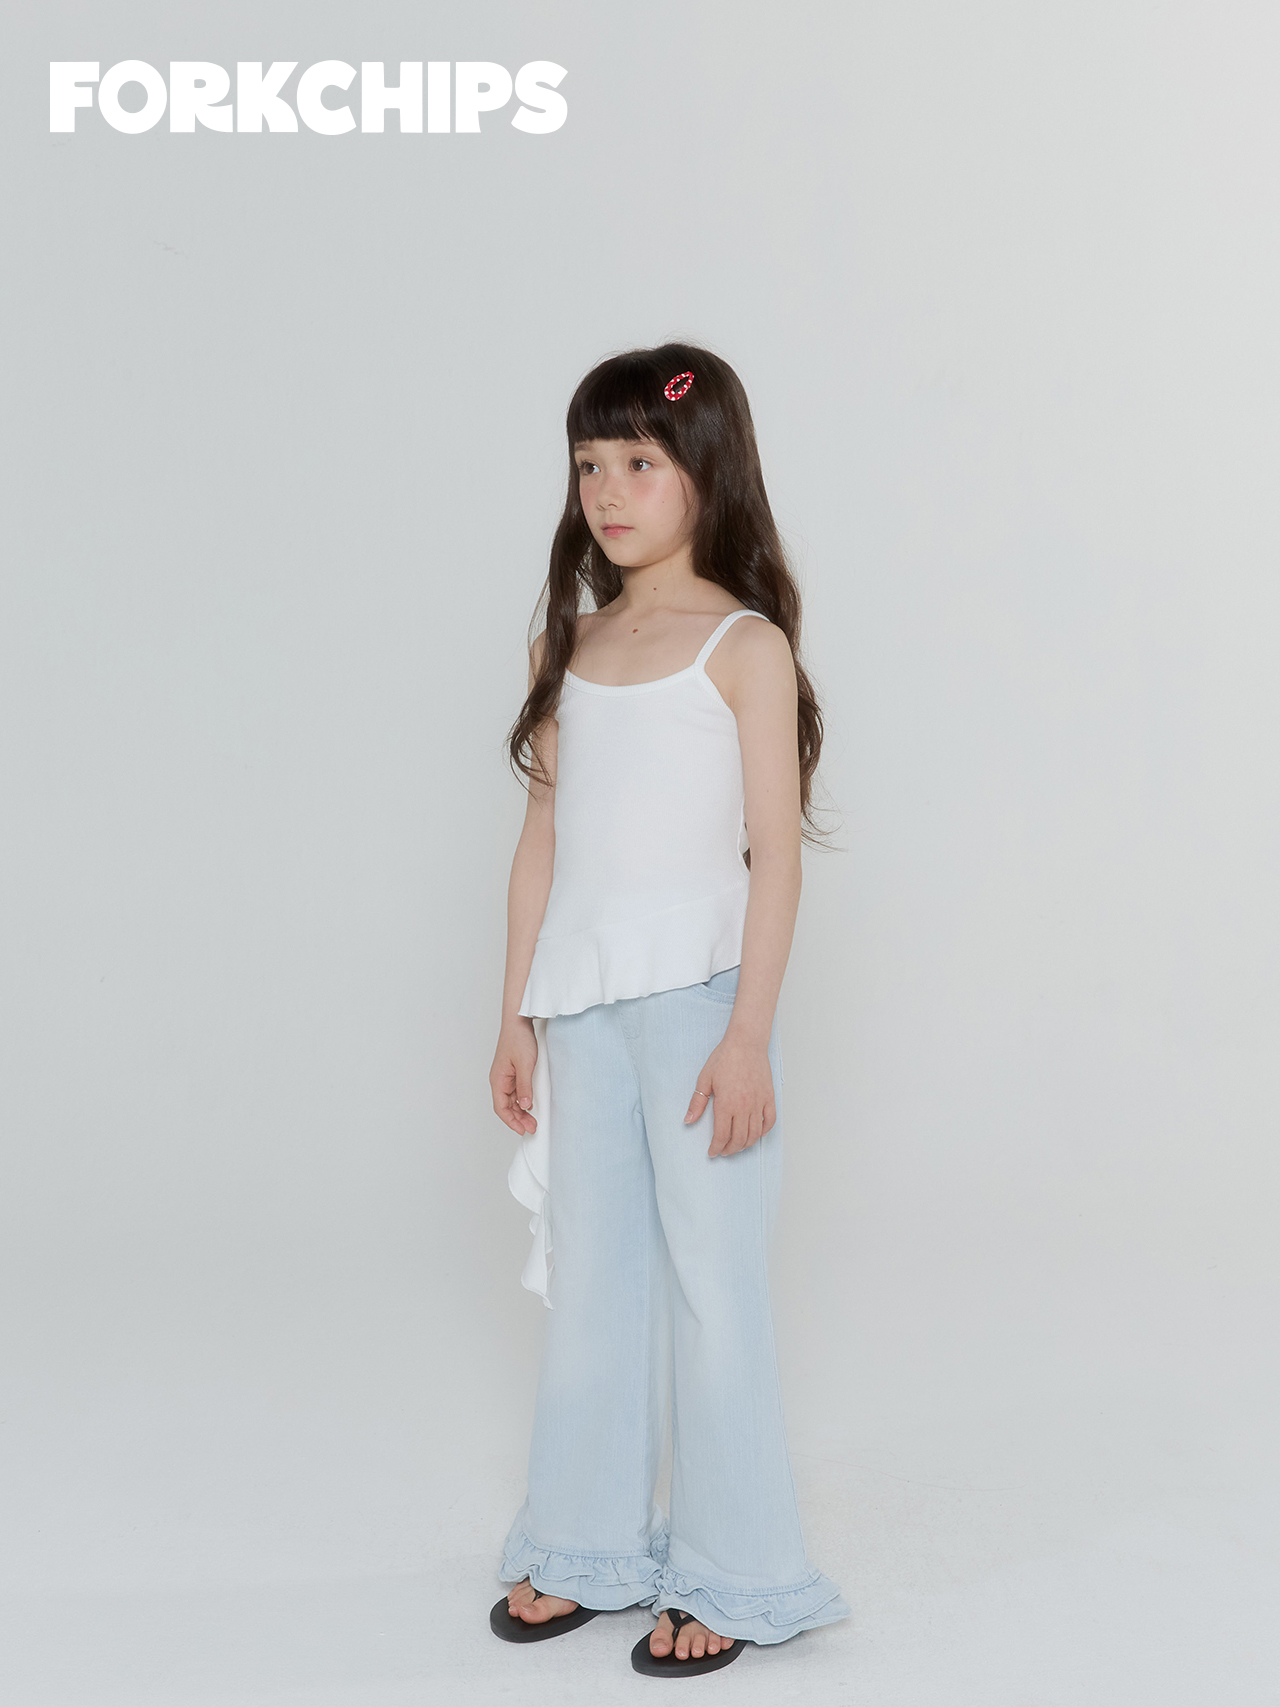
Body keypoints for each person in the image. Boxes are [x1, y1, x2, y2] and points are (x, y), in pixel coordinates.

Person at [487, 344, 849, 1677]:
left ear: (707, 470)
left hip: (700, 1009)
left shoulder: (743, 649)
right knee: (594, 1280)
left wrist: (748, 1034)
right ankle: (584, 1544)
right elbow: (541, 842)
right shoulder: (568, 646)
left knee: (714, 1287)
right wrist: (515, 1016)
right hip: (581, 1005)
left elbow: (776, 855)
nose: (608, 490)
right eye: (591, 463)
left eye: (640, 461)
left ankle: (736, 1571)